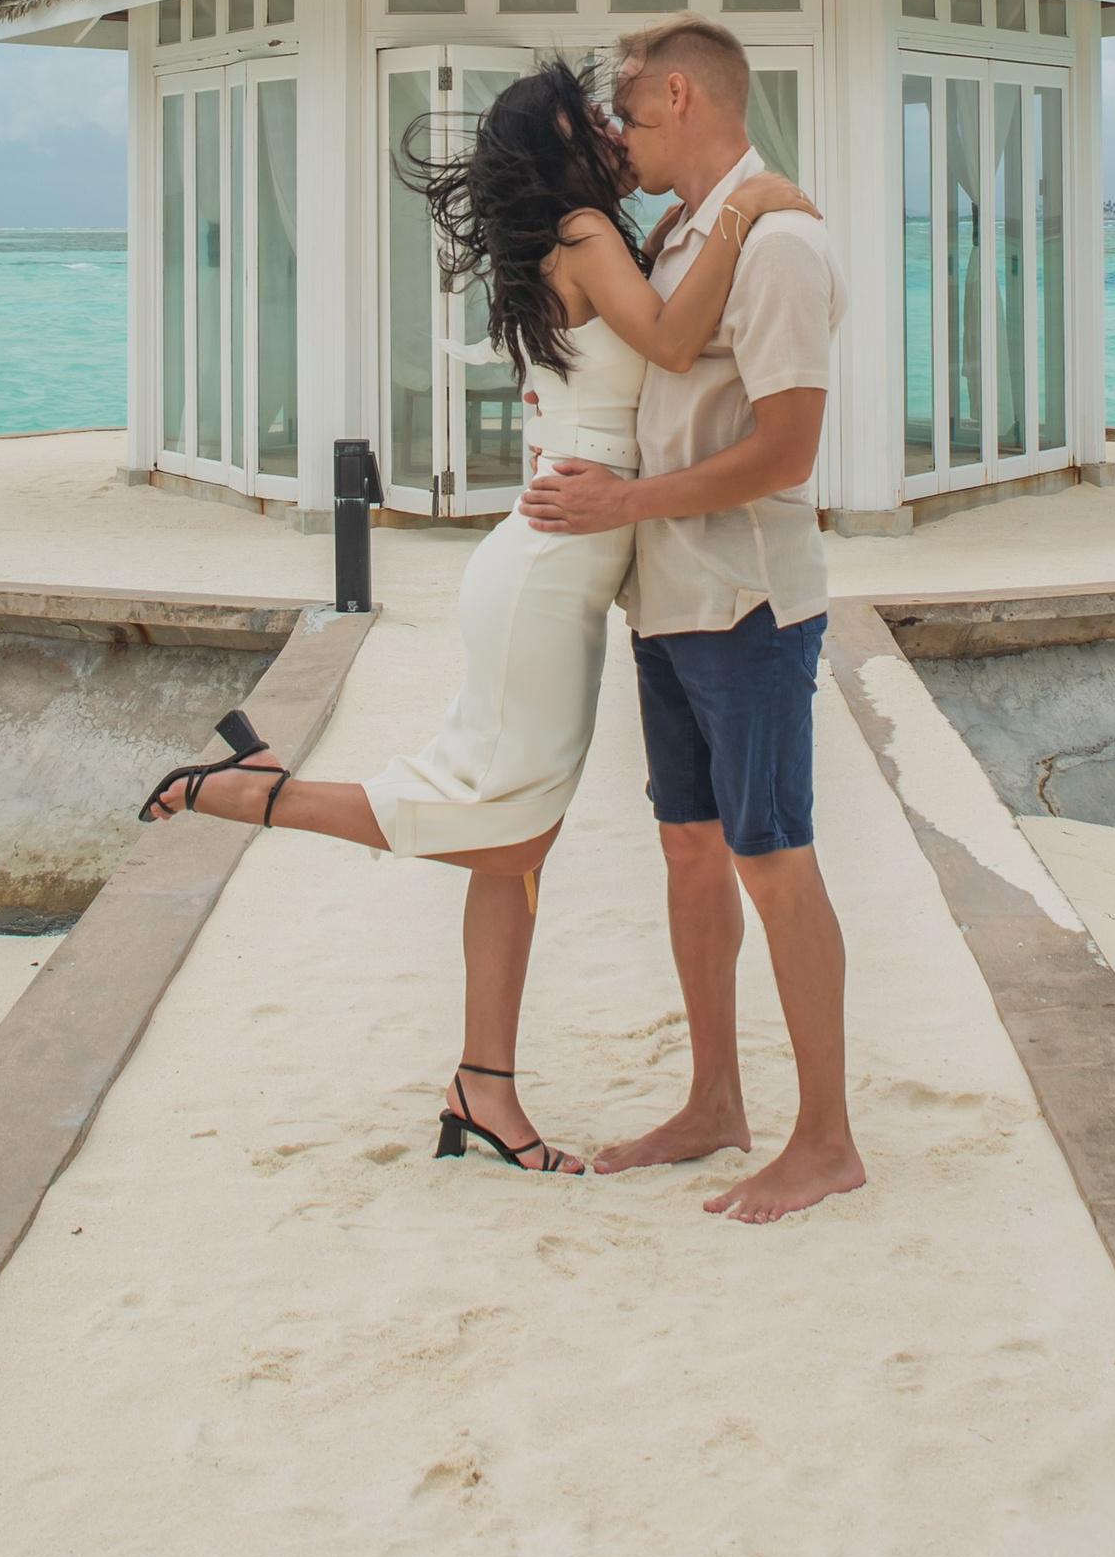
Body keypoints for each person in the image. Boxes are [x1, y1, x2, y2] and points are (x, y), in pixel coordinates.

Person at [138, 57, 815, 1178]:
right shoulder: (591, 229)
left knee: (507, 846)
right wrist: (744, 204)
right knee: (508, 829)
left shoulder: (570, 240)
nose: (607, 127)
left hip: (547, 556)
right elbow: (675, 345)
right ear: (559, 154)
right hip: (552, 570)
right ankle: (249, 791)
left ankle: (482, 1088)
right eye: (583, 120)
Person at [521, 14, 863, 1223]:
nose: (615, 132)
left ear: (677, 94)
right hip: (666, 599)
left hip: (747, 597)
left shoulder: (777, 243)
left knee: (774, 858)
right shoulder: (680, 233)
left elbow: (787, 449)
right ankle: (716, 1097)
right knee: (688, 849)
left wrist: (623, 498)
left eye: (622, 109)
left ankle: (825, 1138)